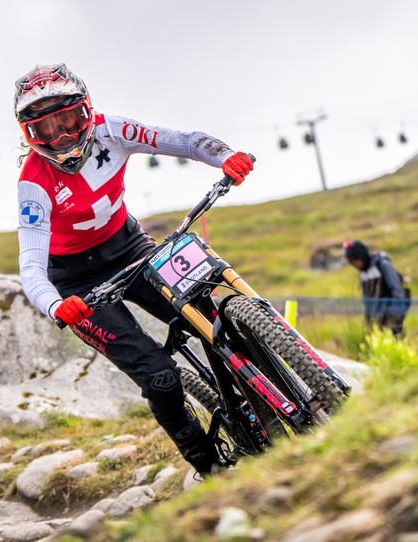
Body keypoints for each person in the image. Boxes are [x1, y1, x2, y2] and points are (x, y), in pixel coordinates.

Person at [14, 64, 254, 476]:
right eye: (45, 130)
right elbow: (30, 266)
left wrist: (224, 155)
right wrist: (57, 306)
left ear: (85, 111)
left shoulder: (113, 130)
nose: (60, 137)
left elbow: (182, 141)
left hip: (129, 247)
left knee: (212, 317)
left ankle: (268, 393)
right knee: (160, 377)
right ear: (28, 136)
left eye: (67, 121)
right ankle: (208, 466)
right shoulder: (32, 183)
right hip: (76, 281)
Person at [343, 240, 408, 336]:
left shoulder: (382, 265)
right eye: (352, 262)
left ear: (362, 256)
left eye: (356, 260)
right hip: (376, 318)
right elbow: (367, 301)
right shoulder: (363, 273)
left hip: (391, 314)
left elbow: (397, 290)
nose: (355, 264)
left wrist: (394, 315)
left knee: (393, 339)